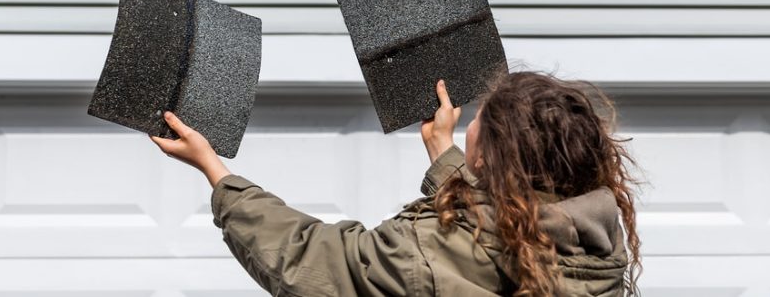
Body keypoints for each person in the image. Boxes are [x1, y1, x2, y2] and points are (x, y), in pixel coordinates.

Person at [152, 72, 643, 296]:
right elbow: (507, 220)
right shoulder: (597, 248)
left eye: (481, 121)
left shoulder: (428, 252)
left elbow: (311, 263)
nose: (470, 123)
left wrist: (216, 172)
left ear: (492, 155)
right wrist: (447, 157)